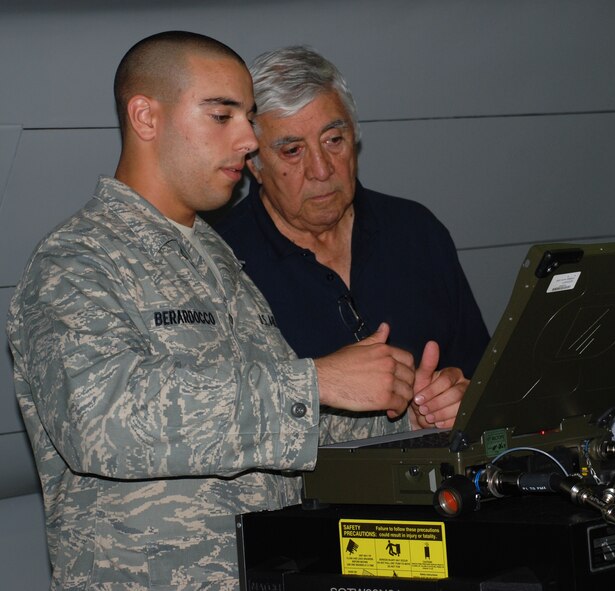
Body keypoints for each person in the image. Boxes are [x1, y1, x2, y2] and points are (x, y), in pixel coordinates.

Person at [6, 31, 457, 590]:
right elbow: (100, 421)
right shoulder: (77, 261)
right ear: (146, 117)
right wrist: (314, 381)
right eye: (223, 116)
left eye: (248, 116)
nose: (248, 139)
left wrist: (404, 412)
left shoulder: (214, 257)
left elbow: (273, 431)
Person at [215, 46, 491, 428]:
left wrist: (459, 396)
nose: (321, 169)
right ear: (254, 164)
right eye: (293, 151)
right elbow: (217, 425)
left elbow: (484, 378)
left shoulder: (416, 230)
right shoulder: (220, 260)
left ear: (355, 136)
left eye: (333, 140)